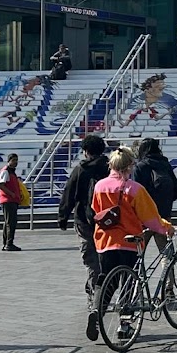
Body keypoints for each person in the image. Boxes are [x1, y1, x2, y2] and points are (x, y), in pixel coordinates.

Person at [92, 147, 176, 340]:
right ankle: (125, 324)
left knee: (107, 279)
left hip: (105, 240)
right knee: (129, 282)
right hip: (129, 240)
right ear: (130, 165)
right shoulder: (134, 189)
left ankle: (97, 313)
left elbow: (96, 209)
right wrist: (166, 228)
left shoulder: (99, 186)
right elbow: (150, 218)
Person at [57, 134, 111, 328]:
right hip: (109, 221)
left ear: (86, 151)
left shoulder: (80, 169)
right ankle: (106, 292)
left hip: (85, 220)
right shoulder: (110, 168)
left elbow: (69, 193)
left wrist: (63, 216)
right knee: (108, 258)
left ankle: (93, 296)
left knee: (91, 259)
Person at [132, 137, 177, 254]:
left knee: (137, 255)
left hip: (144, 217)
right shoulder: (165, 165)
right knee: (167, 255)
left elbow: (135, 194)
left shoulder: (140, 167)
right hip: (163, 216)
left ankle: (135, 273)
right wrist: (165, 203)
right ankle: (169, 272)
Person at [0, 152, 24, 251]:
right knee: (11, 222)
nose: (15, 162)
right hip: (8, 200)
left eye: (16, 160)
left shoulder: (12, 172)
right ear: (9, 161)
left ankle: (6, 243)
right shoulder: (6, 171)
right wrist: (11, 194)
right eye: (13, 160)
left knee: (8, 222)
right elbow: (1, 185)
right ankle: (9, 243)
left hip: (12, 200)